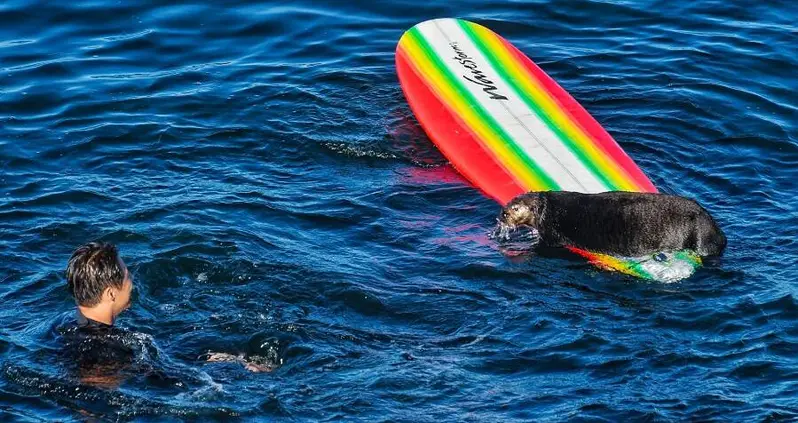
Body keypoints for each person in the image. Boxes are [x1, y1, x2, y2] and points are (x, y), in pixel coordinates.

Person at [66, 242, 134, 327]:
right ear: (111, 294)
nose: (132, 277)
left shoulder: (66, 321)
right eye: (128, 276)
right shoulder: (112, 339)